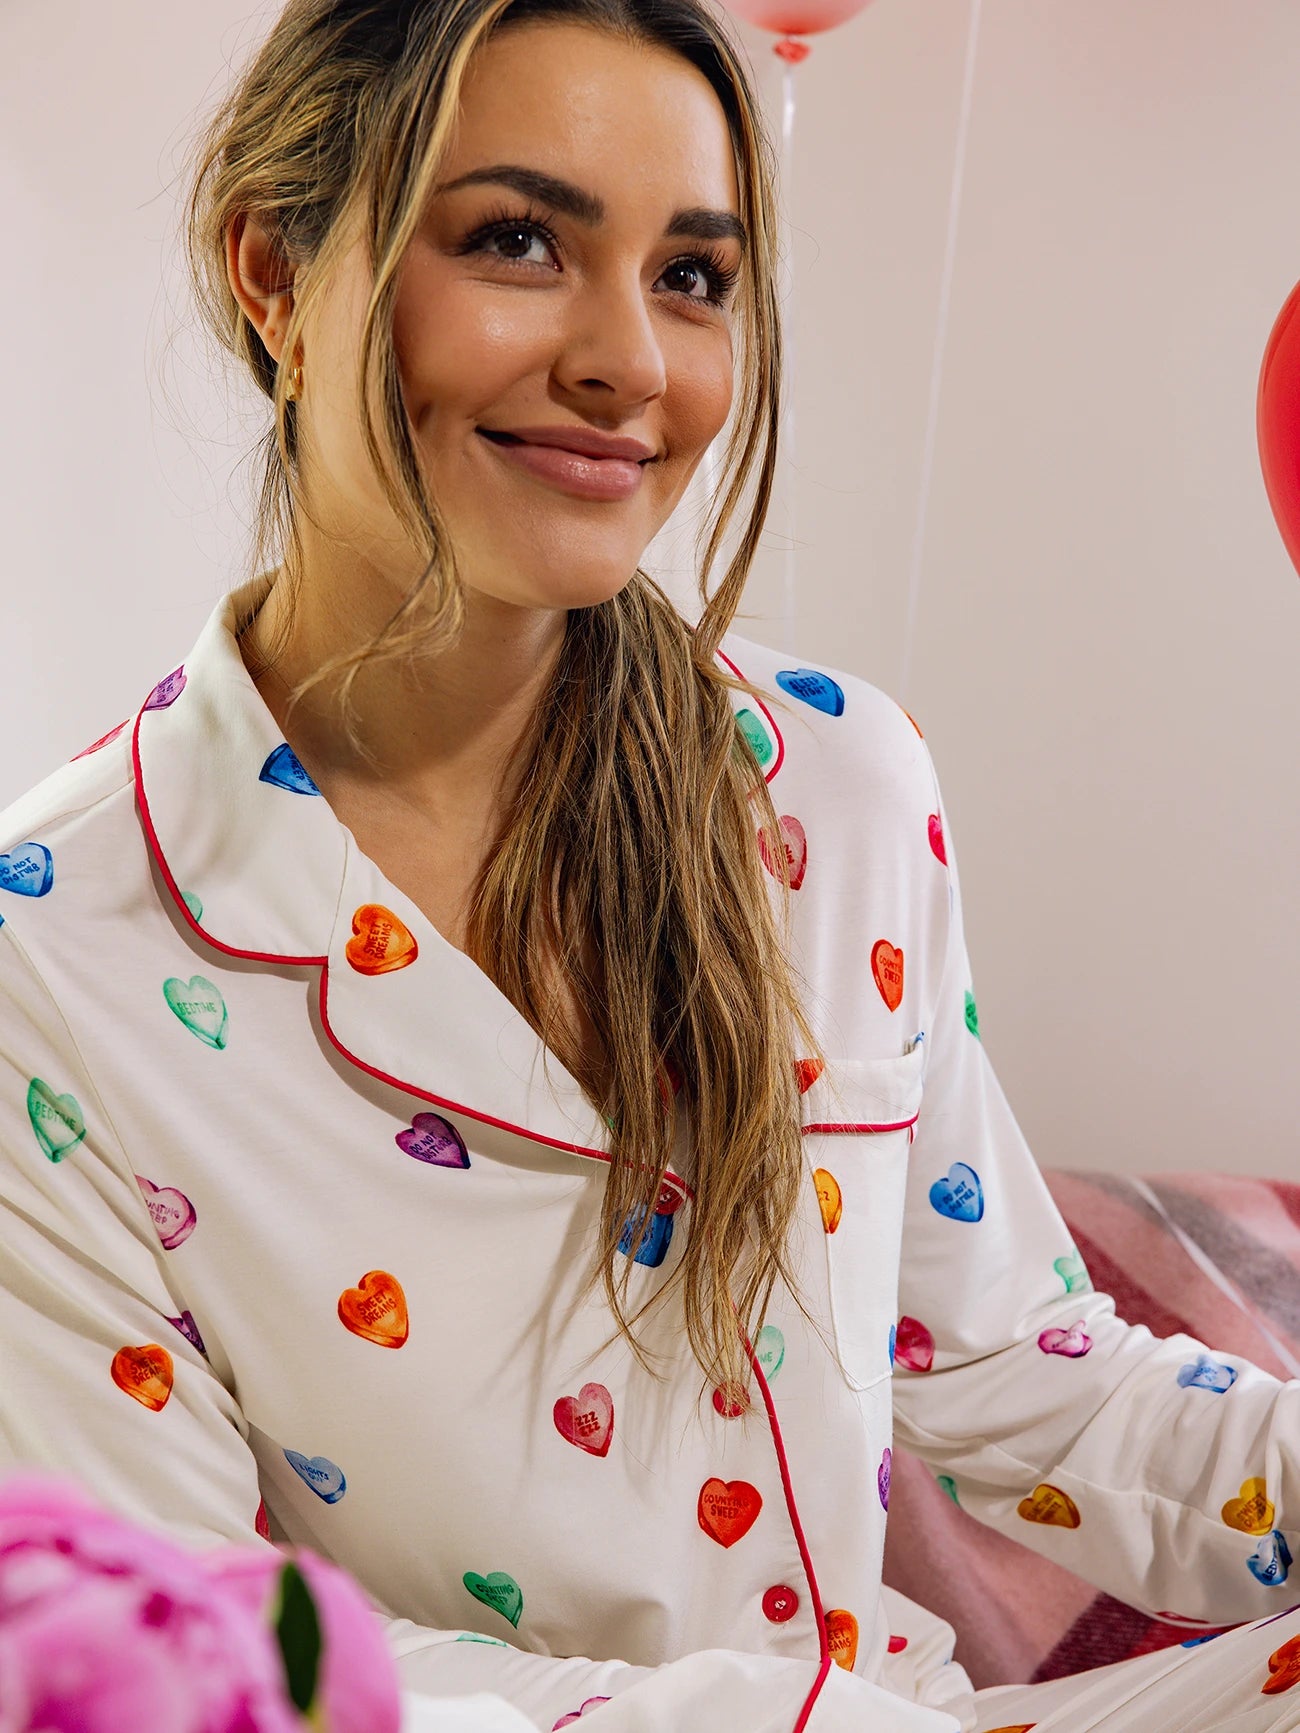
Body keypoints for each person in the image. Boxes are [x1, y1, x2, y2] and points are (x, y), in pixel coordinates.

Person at [1, 2, 1298, 1729]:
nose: (632, 363)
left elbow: (1023, 1383)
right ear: (271, 273)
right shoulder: (59, 959)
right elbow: (189, 1658)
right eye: (518, 242)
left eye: (692, 276)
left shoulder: (838, 787)